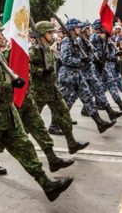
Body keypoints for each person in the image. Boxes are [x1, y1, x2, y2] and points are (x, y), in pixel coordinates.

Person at [0, 17, 74, 203]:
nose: (1, 35)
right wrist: (11, 84)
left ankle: (47, 185)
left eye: (1, 32)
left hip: (8, 115)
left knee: (26, 150)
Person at [29, 21, 89, 154]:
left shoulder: (47, 48)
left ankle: (71, 143)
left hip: (52, 89)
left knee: (64, 114)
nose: (53, 35)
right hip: (39, 92)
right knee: (30, 122)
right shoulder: (34, 50)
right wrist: (41, 71)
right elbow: (28, 68)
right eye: (50, 32)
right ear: (42, 34)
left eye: (53, 32)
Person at [58, 18, 117, 133]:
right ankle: (54, 126)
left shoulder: (76, 40)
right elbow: (66, 59)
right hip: (68, 76)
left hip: (77, 75)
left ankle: (99, 123)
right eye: (77, 27)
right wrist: (81, 60)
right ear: (71, 29)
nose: (80, 29)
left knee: (88, 98)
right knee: (63, 102)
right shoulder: (66, 41)